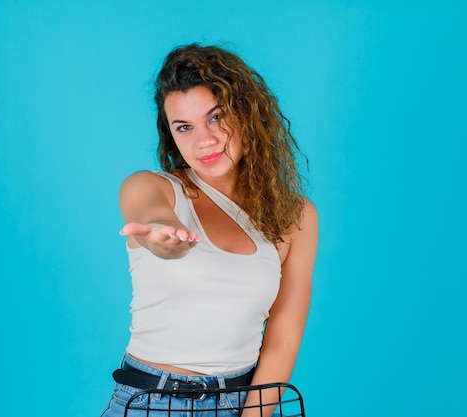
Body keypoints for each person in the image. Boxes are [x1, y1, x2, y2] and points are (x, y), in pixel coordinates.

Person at [100, 43, 318, 417]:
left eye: (216, 117)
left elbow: (282, 340)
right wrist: (164, 237)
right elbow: (150, 213)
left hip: (244, 403)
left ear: (248, 114)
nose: (204, 139)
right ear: (171, 135)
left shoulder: (295, 216)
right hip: (149, 403)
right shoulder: (151, 187)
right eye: (184, 127)